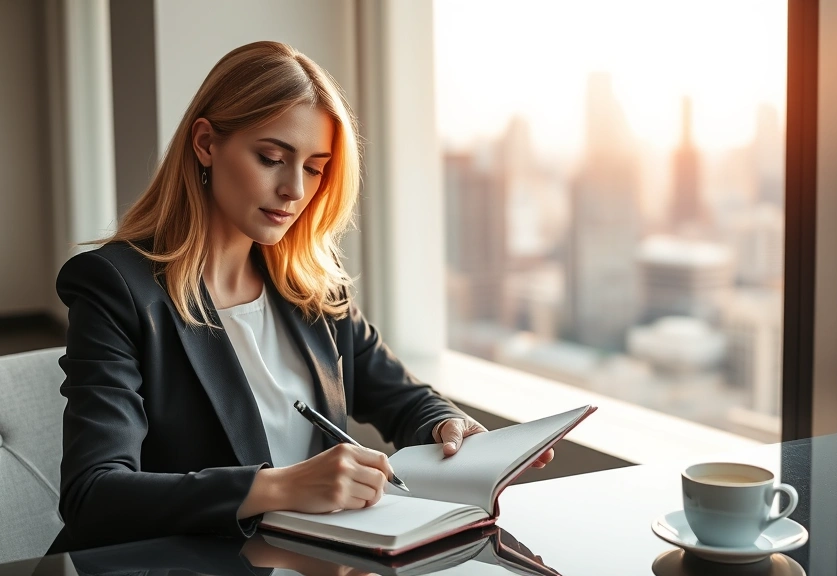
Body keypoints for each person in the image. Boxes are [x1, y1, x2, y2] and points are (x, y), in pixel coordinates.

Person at [48, 40, 555, 553]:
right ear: (205, 143)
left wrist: (445, 425)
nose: (294, 188)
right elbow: (93, 495)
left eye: (315, 167)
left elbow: (402, 397)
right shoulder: (117, 287)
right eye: (272, 158)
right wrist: (279, 487)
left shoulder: (311, 284)